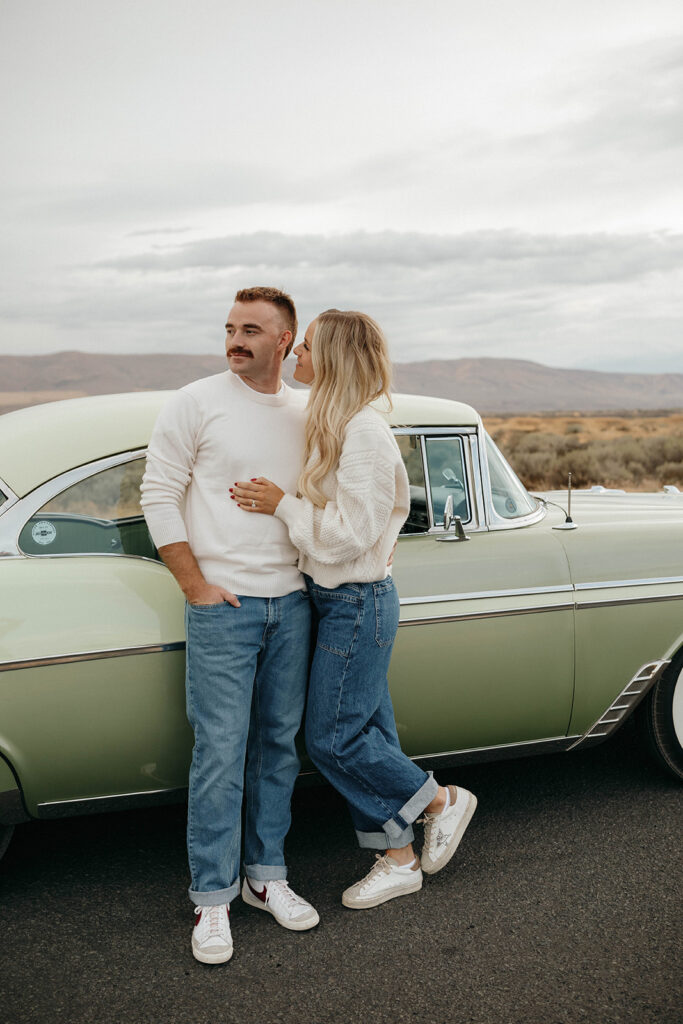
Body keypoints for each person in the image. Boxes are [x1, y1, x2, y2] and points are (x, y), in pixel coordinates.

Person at [231, 309, 477, 910]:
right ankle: (397, 859)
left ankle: (441, 801)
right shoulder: (333, 421)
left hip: (356, 603)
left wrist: (283, 506)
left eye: (307, 347)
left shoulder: (363, 432)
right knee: (368, 732)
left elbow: (349, 536)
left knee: (333, 739)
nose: (296, 356)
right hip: (334, 600)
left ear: (334, 356)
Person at [140, 287, 319, 966]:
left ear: (285, 340)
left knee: (277, 745)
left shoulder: (308, 409)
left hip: (294, 602)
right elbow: (158, 493)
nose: (235, 340)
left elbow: (332, 491)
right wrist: (195, 586)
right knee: (220, 750)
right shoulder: (195, 401)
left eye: (252, 330)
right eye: (229, 327)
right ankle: (211, 897)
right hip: (225, 608)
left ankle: (265, 879)